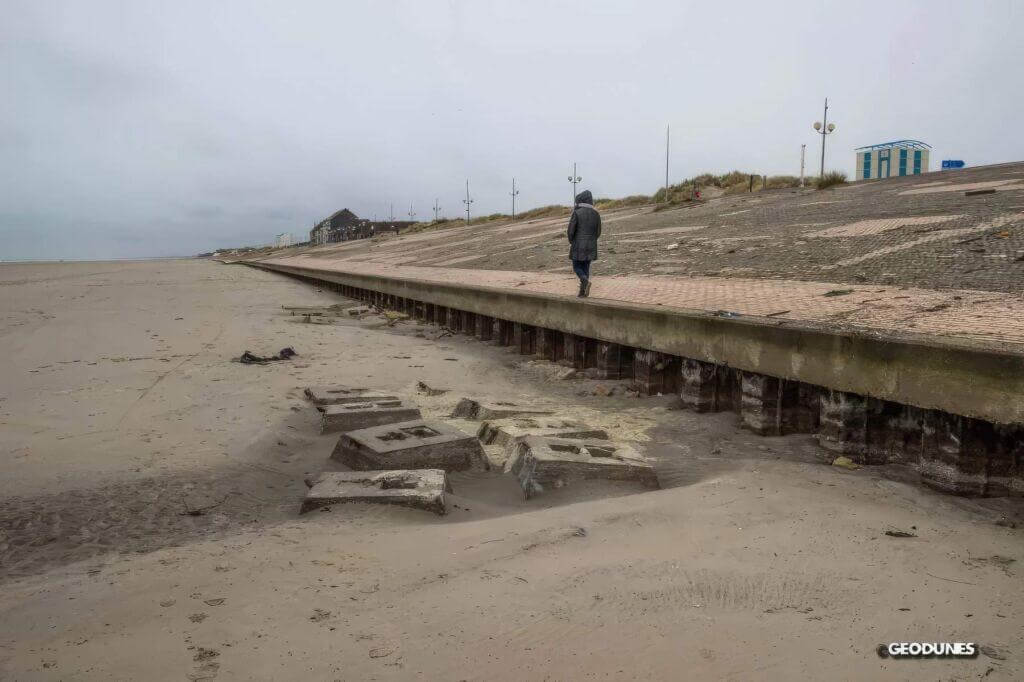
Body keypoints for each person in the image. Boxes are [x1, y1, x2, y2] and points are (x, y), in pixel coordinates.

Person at [567, 189, 601, 297]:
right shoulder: (596, 214)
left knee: (577, 266)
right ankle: (582, 292)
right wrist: (592, 240)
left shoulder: (576, 212)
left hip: (578, 244)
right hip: (591, 244)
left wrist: (572, 240)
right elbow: (598, 231)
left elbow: (571, 230)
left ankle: (584, 281)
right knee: (586, 267)